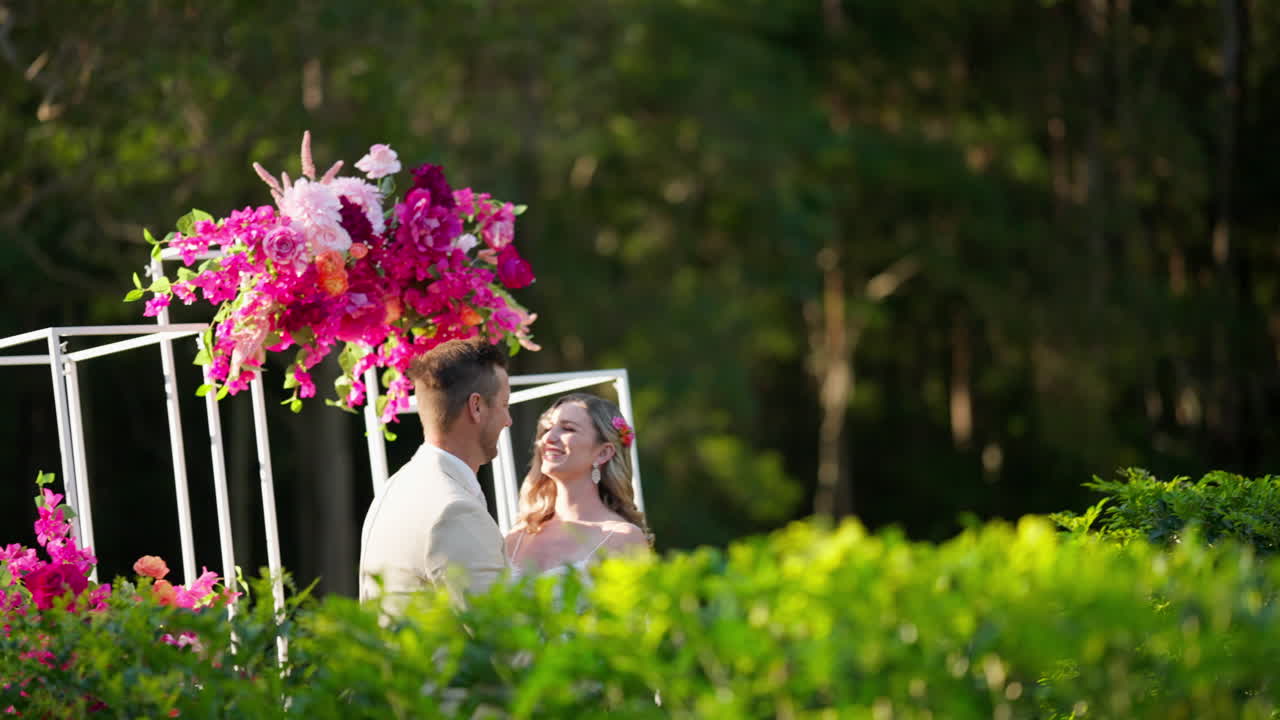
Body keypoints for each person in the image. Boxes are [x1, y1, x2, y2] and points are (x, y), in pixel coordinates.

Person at [358, 337, 511, 616]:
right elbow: (501, 632)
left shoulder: (394, 487)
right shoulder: (455, 510)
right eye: (504, 404)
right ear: (476, 407)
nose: (508, 420)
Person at [505, 393, 651, 580]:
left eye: (568, 429)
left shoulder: (623, 538)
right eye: (548, 428)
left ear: (603, 453)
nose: (549, 438)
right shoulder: (516, 537)